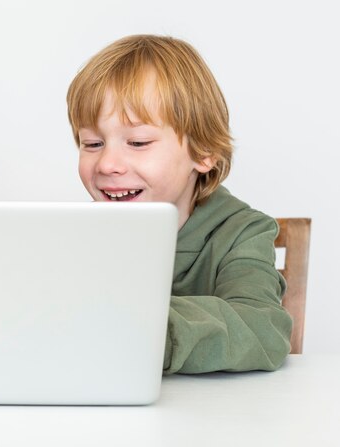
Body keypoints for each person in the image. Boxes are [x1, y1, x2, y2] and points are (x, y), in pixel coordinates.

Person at [66, 34, 292, 373]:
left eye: (138, 142)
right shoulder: (72, 237)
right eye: (93, 143)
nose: (107, 163)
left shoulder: (241, 233)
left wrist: (147, 332)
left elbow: (263, 329)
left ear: (203, 152)